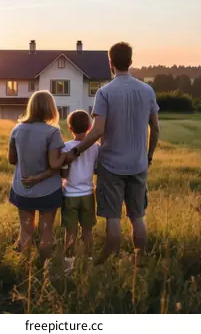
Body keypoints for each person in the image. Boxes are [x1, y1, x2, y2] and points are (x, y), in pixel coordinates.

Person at [65, 42, 160, 265]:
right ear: (131, 61)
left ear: (110, 63)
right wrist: (149, 156)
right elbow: (155, 127)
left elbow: (97, 130)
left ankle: (109, 259)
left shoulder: (104, 93)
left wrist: (76, 151)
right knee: (137, 216)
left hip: (111, 166)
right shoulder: (147, 91)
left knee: (113, 217)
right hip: (138, 163)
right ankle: (140, 260)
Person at [8, 90, 66, 262]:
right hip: (48, 191)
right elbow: (55, 165)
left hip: (22, 190)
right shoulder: (52, 132)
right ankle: (44, 269)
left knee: (25, 230)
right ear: (50, 108)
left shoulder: (17, 129)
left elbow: (12, 160)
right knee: (46, 230)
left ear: (31, 107)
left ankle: (24, 268)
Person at [60, 110, 100, 273]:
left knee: (70, 231)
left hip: (70, 195)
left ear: (70, 128)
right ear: (89, 127)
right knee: (88, 230)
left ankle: (68, 266)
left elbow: (63, 173)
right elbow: (97, 169)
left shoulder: (66, 147)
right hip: (88, 194)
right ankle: (89, 262)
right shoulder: (96, 148)